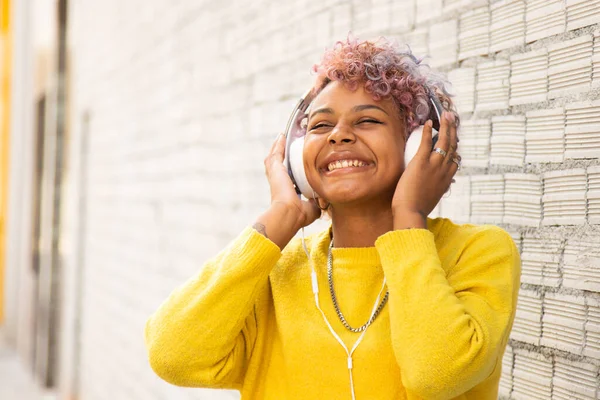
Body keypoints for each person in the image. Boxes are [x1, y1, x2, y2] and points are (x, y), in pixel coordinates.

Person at [144, 37, 521, 400]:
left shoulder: (479, 253)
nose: (339, 136)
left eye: (367, 121)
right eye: (321, 125)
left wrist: (409, 215)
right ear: (295, 158)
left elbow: (436, 373)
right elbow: (172, 355)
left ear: (418, 148)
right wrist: (282, 215)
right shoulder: (273, 271)